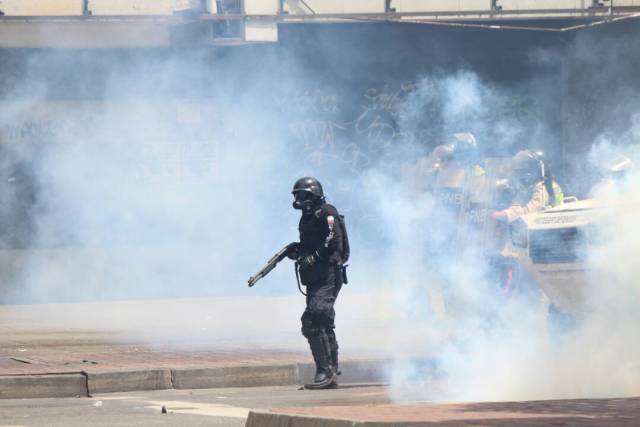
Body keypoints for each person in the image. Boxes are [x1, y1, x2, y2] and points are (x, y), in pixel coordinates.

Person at [286, 177, 348, 390]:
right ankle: (330, 371)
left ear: (312, 194)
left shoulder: (327, 213)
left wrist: (316, 256)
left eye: (302, 195)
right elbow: (309, 244)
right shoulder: (307, 218)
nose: (299, 200)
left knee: (313, 319)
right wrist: (298, 252)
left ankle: (326, 371)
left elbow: (332, 241)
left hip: (328, 275)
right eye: (297, 195)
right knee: (322, 320)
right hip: (314, 277)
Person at [493, 150, 550, 223]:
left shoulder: (543, 189)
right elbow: (516, 204)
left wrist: (503, 214)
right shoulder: (526, 187)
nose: (521, 175)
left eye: (525, 171)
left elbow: (529, 211)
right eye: (518, 171)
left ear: (538, 170)